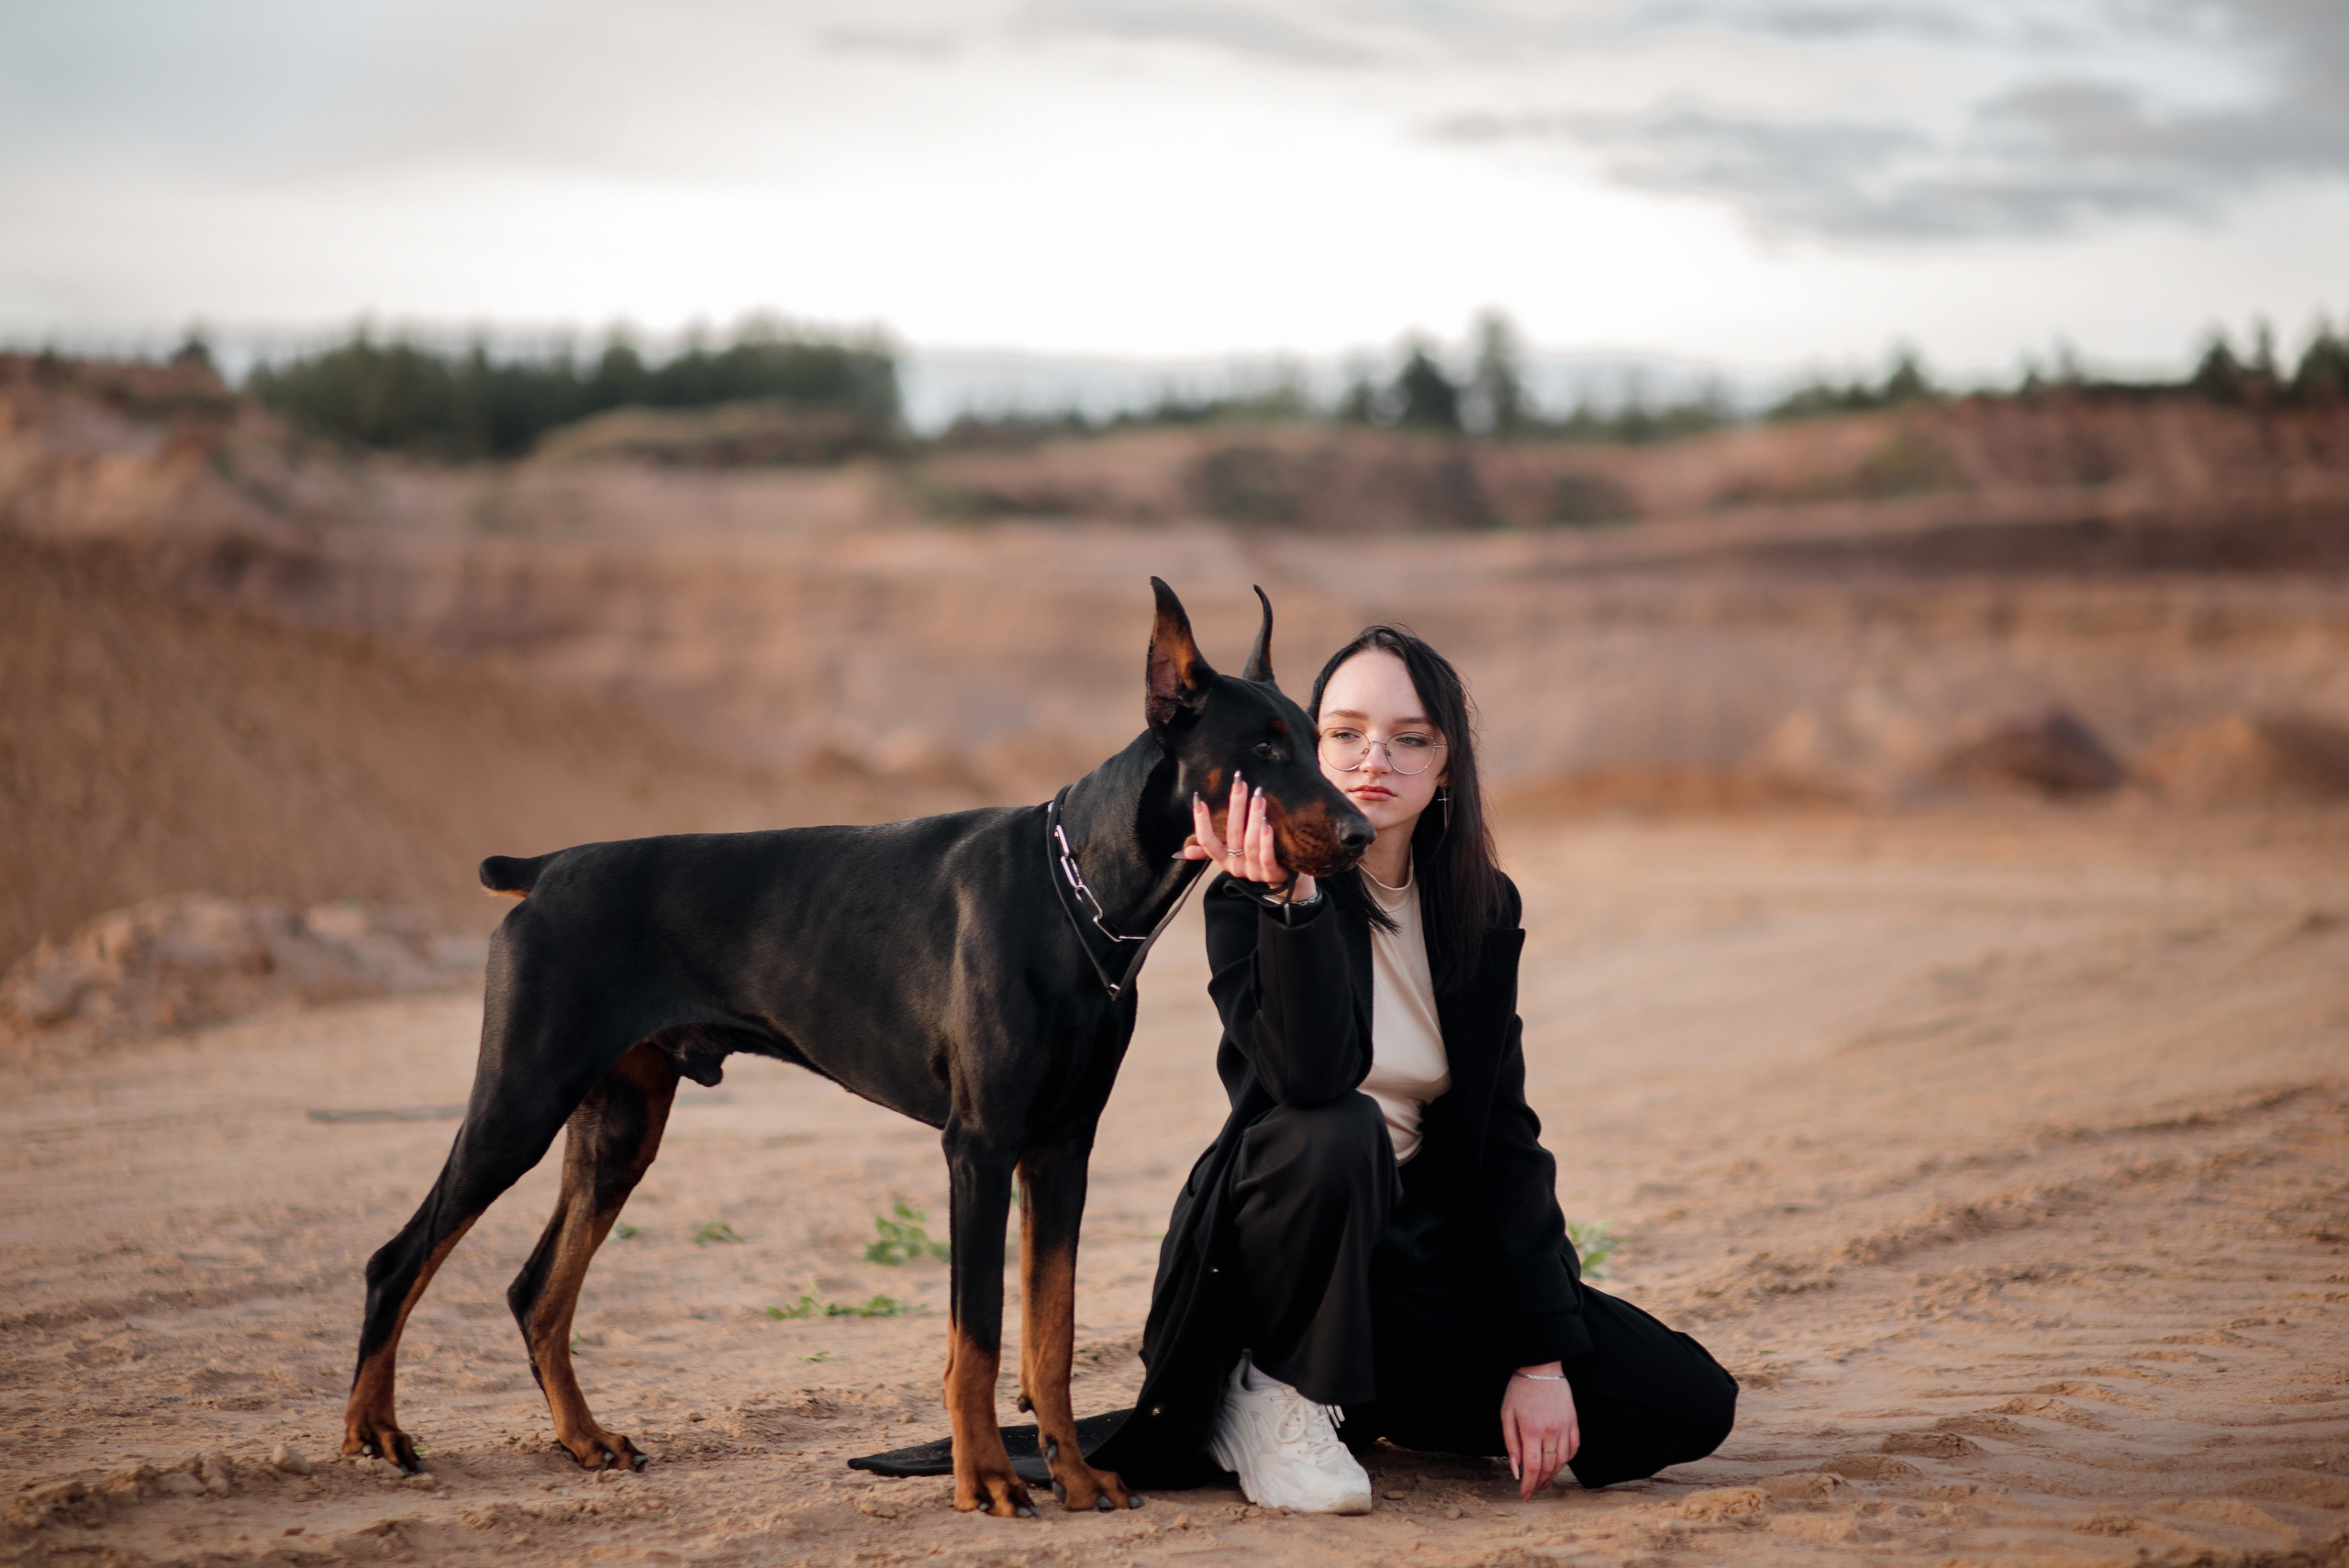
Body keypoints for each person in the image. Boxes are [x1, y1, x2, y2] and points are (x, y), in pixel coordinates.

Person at [1085, 627, 1737, 1513]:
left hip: (1414, 1256)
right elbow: (1307, 1081)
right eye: (1345, 733)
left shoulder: (1479, 903)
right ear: (1309, 749)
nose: (1374, 759)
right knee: (1341, 1124)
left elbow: (1502, 1128)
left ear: (1447, 765)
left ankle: (1363, 1394)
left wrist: (1539, 1360)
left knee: (1684, 1399)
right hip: (1280, 1243)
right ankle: (1270, 1389)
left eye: (1410, 738)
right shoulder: (1249, 890)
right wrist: (1293, 898)